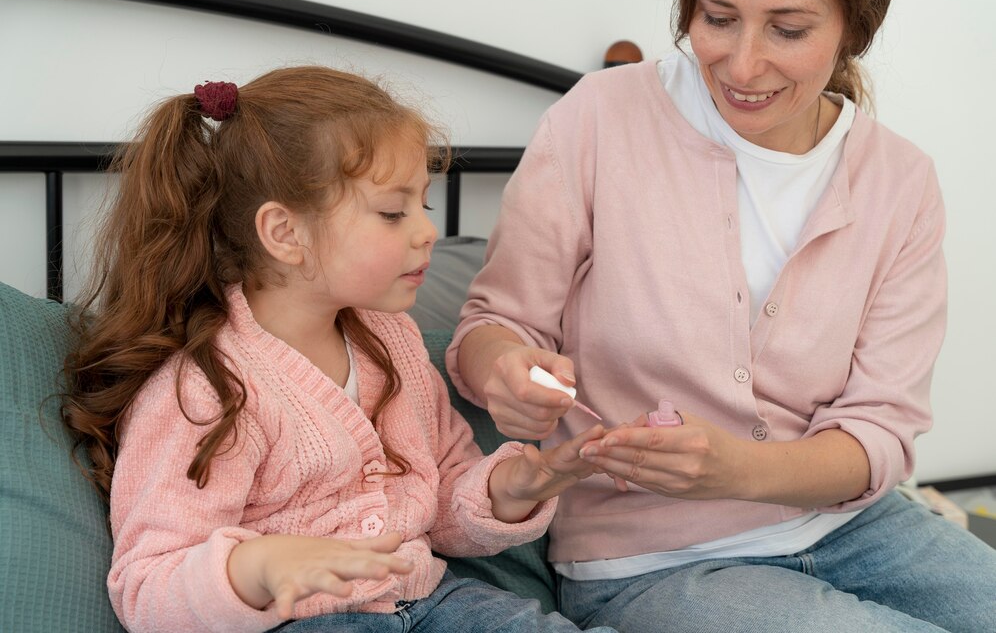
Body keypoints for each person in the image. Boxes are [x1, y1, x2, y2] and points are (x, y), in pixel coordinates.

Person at [446, 0, 996, 631]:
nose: (742, 63)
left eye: (787, 30)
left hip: (856, 525)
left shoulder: (901, 180)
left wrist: (738, 467)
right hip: (649, 558)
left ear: (854, 27)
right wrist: (503, 366)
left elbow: (878, 429)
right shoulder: (598, 117)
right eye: (717, 19)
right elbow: (495, 326)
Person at [61, 66, 617, 633]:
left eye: (423, 206)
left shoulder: (392, 342)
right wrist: (256, 566)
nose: (426, 231)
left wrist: (514, 487)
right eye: (393, 212)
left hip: (436, 603)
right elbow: (148, 588)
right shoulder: (203, 388)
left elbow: (440, 497)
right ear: (284, 233)